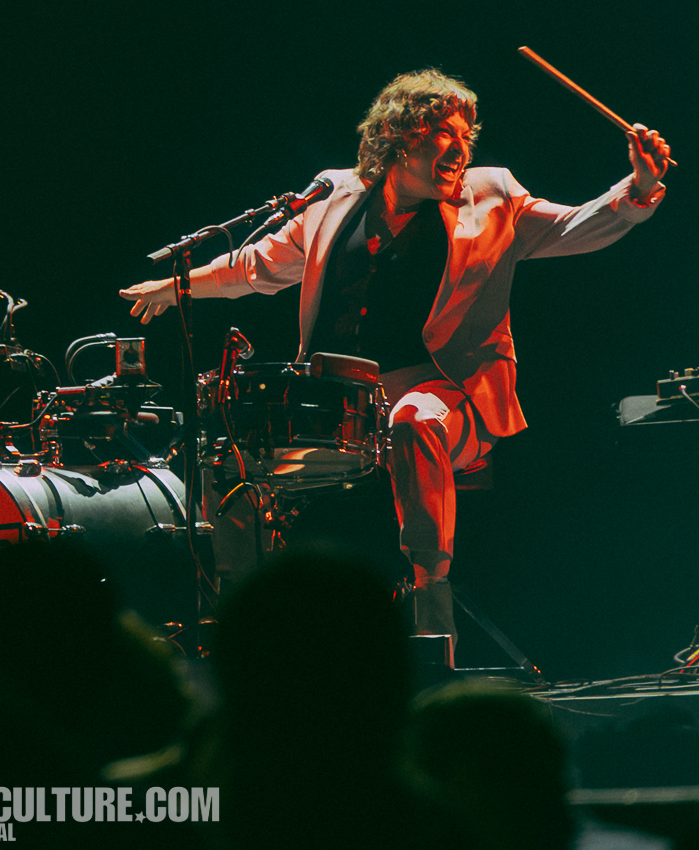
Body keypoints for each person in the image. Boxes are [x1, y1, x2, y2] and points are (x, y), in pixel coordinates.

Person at [121, 68, 669, 643]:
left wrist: (636, 188)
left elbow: (575, 227)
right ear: (397, 135)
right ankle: (238, 623)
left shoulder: (492, 197)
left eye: (466, 137)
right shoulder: (335, 197)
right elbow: (254, 266)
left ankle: (432, 612)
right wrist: (176, 285)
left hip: (448, 395)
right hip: (342, 407)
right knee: (229, 456)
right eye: (445, 134)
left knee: (413, 421)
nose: (460, 149)